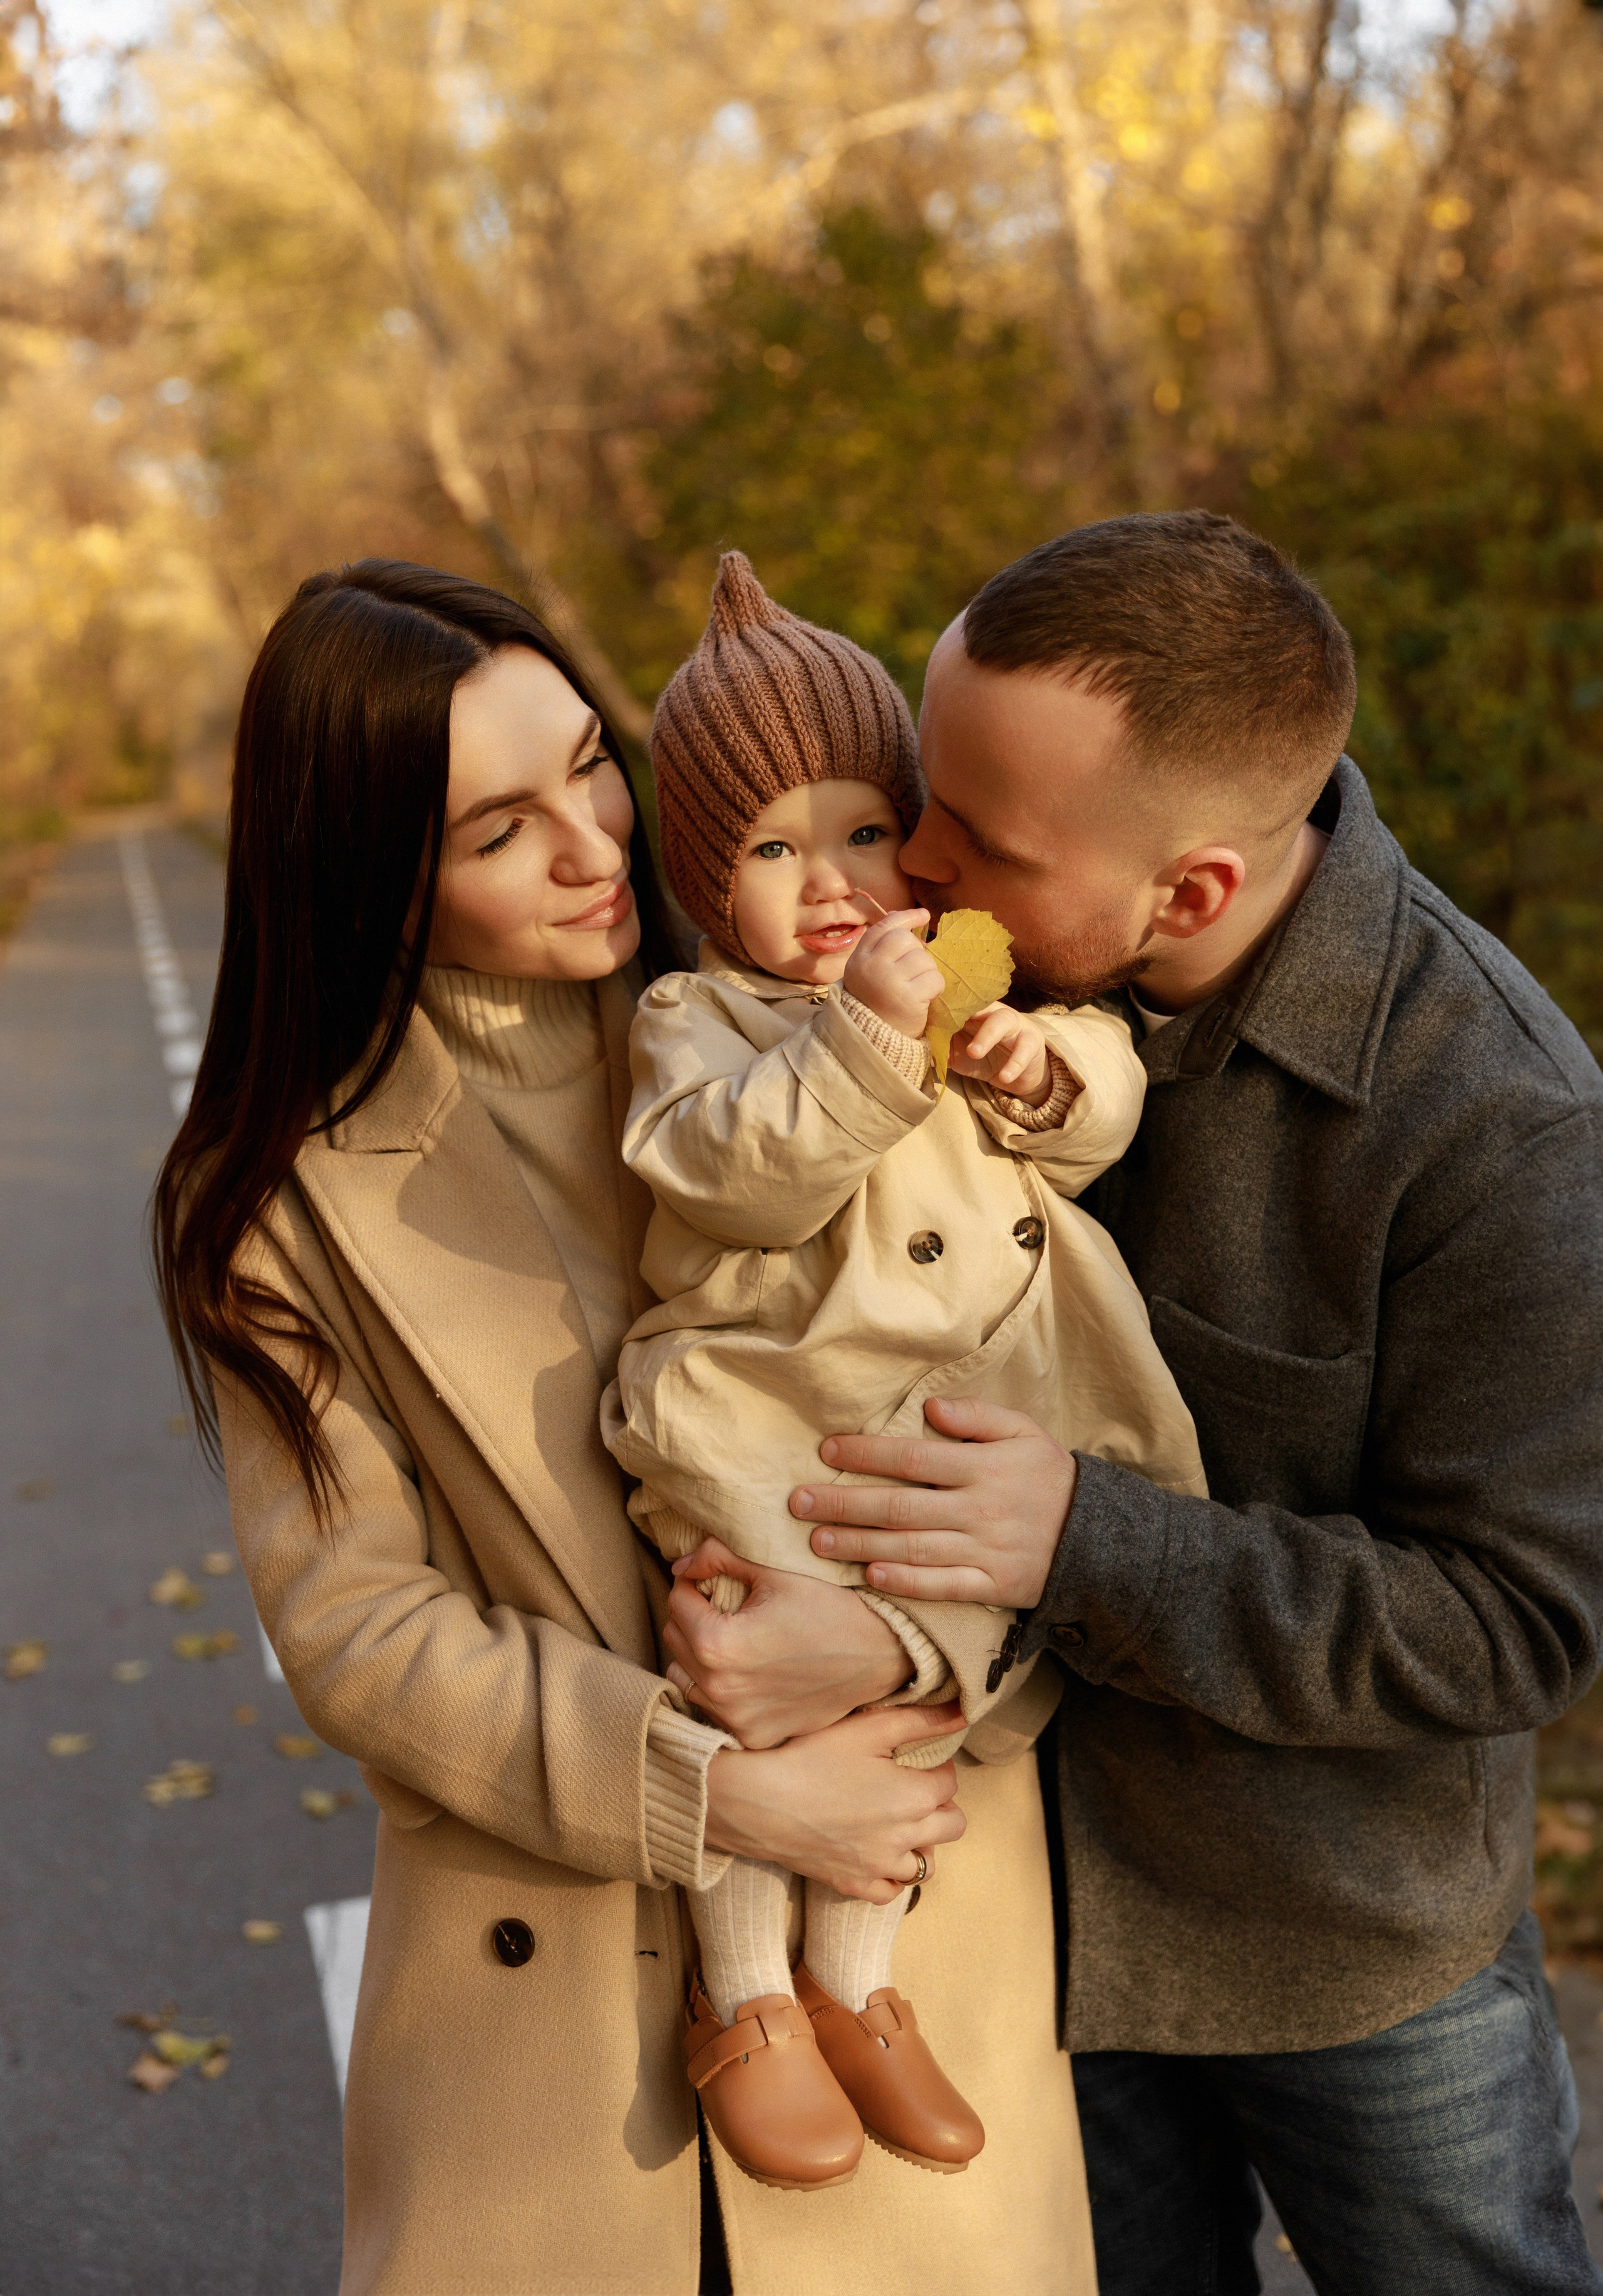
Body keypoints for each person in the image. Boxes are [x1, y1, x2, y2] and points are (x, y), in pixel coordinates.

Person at [152, 557, 1094, 2295]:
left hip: (904, 1921)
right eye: (499, 829)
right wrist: (724, 1794)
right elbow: (360, 1631)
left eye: (590, 759)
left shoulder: (846, 1045)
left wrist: (913, 1653)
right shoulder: (273, 1196)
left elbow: (1049, 1431)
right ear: (370, 869)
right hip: (552, 2017)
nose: (595, 842)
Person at [775, 511, 1603, 2295]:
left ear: (1195, 890)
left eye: (976, 838)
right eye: (927, 790)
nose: (910, 856)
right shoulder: (946, 985)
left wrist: (1088, 1532)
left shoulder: (1499, 1123)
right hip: (1019, 1921)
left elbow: (1520, 1621)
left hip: (1355, 1965)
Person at [605, 554, 1204, 2193]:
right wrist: (866, 1039)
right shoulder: (699, 1015)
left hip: (948, 1426)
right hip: (760, 1417)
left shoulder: (971, 966)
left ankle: (859, 1980)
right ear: (706, 879)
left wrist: (1043, 1063)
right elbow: (730, 1173)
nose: (833, 880)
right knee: (751, 1646)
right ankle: (744, 1995)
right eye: (775, 848)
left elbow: (1104, 1081)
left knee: (925, 1673)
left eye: (868, 831)